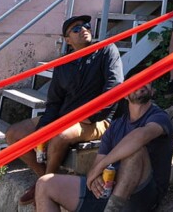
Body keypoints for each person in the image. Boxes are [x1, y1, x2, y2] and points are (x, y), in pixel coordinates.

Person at [7, 15, 124, 206]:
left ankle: (45, 186)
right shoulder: (63, 63)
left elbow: (115, 86)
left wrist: (92, 116)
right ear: (67, 40)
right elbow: (54, 102)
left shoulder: (106, 50)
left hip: (97, 120)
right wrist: (42, 131)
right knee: (14, 134)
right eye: (76, 29)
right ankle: (44, 178)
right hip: (64, 117)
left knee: (60, 136)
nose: (83, 29)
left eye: (86, 25)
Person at [36, 81, 173, 212]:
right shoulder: (115, 126)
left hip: (141, 194)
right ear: (125, 94)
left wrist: (101, 166)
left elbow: (140, 136)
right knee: (44, 184)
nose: (141, 84)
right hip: (109, 190)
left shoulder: (159, 117)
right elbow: (96, 166)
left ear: (153, 91)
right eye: (135, 81)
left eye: (146, 80)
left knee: (135, 151)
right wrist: (97, 179)